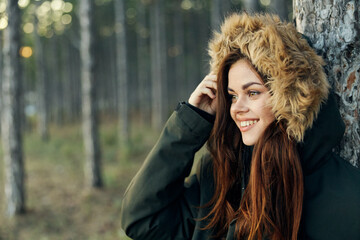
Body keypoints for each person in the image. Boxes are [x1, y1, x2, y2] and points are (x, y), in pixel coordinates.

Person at [120, 13, 360, 240]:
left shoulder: (345, 198)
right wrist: (190, 122)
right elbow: (143, 220)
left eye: (252, 92)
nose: (236, 108)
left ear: (291, 98)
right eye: (232, 95)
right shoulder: (222, 174)